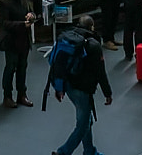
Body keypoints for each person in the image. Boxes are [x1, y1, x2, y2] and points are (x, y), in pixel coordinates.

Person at [47, 14, 113, 155]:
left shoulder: (67, 38)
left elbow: (58, 63)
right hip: (83, 88)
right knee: (82, 125)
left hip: (68, 86)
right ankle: (63, 152)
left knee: (85, 119)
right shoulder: (94, 45)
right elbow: (100, 72)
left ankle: (89, 150)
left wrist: (59, 88)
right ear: (92, 26)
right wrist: (107, 93)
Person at [0, 0, 34, 108]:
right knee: (10, 68)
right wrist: (22, 24)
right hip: (12, 41)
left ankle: (22, 95)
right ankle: (7, 96)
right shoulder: (3, 2)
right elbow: (4, 23)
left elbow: (30, 11)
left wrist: (31, 15)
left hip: (24, 40)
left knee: (22, 68)